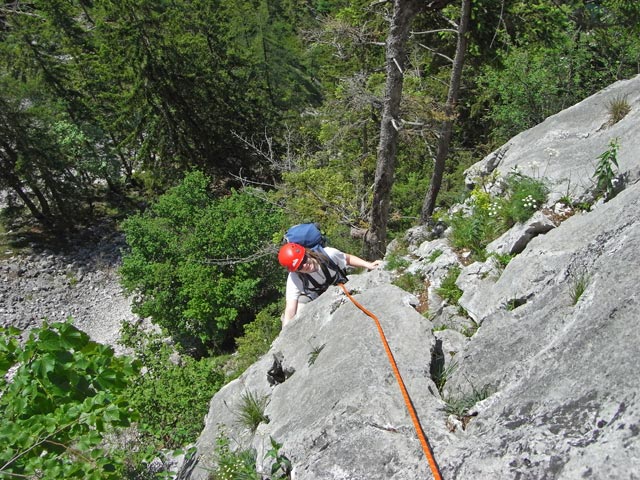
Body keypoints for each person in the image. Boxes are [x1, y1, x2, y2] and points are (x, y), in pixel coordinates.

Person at [278, 242, 382, 326]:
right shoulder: (294, 278)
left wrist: (368, 265)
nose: (305, 265)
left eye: (304, 259)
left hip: (338, 286)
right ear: (296, 270)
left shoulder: (328, 254)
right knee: (299, 312)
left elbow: (347, 259)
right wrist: (285, 333)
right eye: (300, 266)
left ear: (307, 253)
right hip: (315, 297)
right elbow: (291, 308)